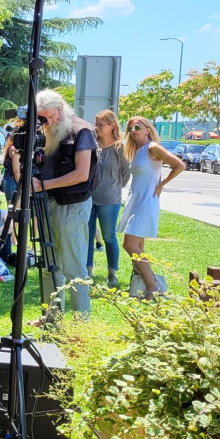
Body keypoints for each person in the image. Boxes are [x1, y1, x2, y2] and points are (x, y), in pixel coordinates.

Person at [13, 90, 98, 317]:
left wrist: (43, 185)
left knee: (73, 268)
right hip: (46, 203)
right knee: (49, 264)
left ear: (61, 109)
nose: (48, 123)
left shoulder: (82, 131)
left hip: (72, 204)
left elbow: (81, 174)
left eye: (50, 117)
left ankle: (81, 324)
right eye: (42, 119)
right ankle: (51, 319)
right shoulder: (46, 130)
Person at [118, 116, 184, 298]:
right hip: (136, 200)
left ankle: (152, 286)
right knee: (137, 246)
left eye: (137, 127)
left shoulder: (153, 148)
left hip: (146, 202)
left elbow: (179, 165)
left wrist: (161, 185)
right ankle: (144, 285)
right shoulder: (137, 150)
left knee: (129, 244)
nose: (133, 131)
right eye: (130, 128)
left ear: (148, 129)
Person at [89, 110, 129, 289]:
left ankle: (112, 272)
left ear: (112, 125)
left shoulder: (120, 147)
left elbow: (125, 174)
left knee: (108, 236)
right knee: (87, 236)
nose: (97, 128)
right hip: (88, 197)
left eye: (101, 125)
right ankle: (87, 271)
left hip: (109, 199)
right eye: (96, 124)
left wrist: (113, 186)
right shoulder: (92, 144)